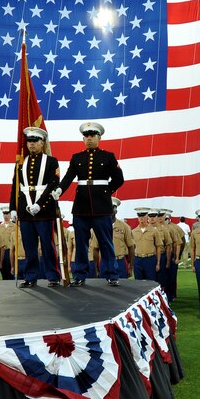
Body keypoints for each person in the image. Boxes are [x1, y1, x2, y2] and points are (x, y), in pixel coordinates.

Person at [53, 121, 124, 286]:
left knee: (106, 242)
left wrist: (106, 192)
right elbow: (68, 178)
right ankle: (80, 275)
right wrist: (59, 190)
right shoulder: (77, 158)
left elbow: (119, 179)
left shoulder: (108, 156)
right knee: (81, 243)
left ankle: (112, 274)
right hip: (81, 207)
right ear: (83, 139)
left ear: (99, 137)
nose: (89, 139)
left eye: (92, 136)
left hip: (102, 207)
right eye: (86, 136)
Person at [9, 127, 62, 288]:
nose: (31, 144)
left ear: (42, 142)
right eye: (29, 141)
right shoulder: (20, 163)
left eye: (35, 141)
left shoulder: (51, 162)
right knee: (29, 246)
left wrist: (40, 205)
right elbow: (15, 187)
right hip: (25, 210)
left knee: (47, 244)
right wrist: (13, 208)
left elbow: (53, 184)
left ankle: (53, 276)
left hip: (44, 210)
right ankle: (30, 276)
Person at [92, 197, 135, 279]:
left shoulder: (124, 226)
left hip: (119, 261)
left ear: (115, 211)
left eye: (111, 209)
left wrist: (131, 266)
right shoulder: (99, 227)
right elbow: (95, 249)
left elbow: (131, 247)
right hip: (105, 262)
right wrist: (96, 268)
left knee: (122, 289)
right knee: (104, 289)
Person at [132, 207, 162, 280]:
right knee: (138, 282)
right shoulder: (133, 231)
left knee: (151, 281)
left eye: (143, 216)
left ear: (147, 217)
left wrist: (158, 263)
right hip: (137, 259)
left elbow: (158, 246)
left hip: (150, 259)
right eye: (139, 216)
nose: (141, 218)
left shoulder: (154, 231)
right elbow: (131, 247)